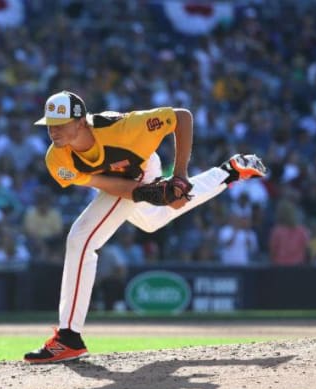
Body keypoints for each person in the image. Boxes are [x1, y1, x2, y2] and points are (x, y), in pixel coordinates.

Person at [23, 90, 267, 363]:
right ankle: (229, 171)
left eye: (60, 123)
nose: (53, 130)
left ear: (81, 121)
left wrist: (179, 175)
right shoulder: (57, 159)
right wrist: (146, 194)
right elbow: (105, 185)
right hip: (120, 180)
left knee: (81, 239)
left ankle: (68, 337)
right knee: (151, 221)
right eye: (49, 125)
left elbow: (181, 117)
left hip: (143, 166)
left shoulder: (125, 128)